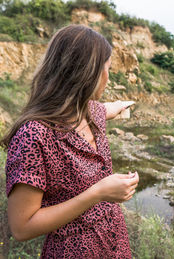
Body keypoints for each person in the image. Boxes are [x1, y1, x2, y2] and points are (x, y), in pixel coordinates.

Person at [1, 24, 139, 258]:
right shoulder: (33, 135)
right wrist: (98, 192)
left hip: (115, 245)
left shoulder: (90, 112)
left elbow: (108, 109)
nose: (109, 76)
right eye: (107, 69)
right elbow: (22, 227)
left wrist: (122, 106)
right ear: (89, 73)